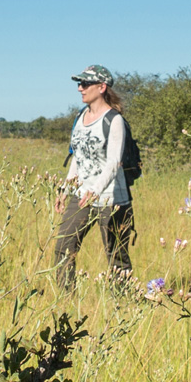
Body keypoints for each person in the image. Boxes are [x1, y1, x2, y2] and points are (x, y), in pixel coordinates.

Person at [53, 64, 134, 288]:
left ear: (101, 87)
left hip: (110, 198)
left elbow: (113, 163)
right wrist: (65, 190)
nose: (80, 88)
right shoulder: (80, 118)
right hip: (81, 196)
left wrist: (94, 191)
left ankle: (124, 303)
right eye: (79, 83)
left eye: (85, 84)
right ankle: (64, 301)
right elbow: (77, 158)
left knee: (116, 255)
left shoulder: (114, 120)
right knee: (63, 247)